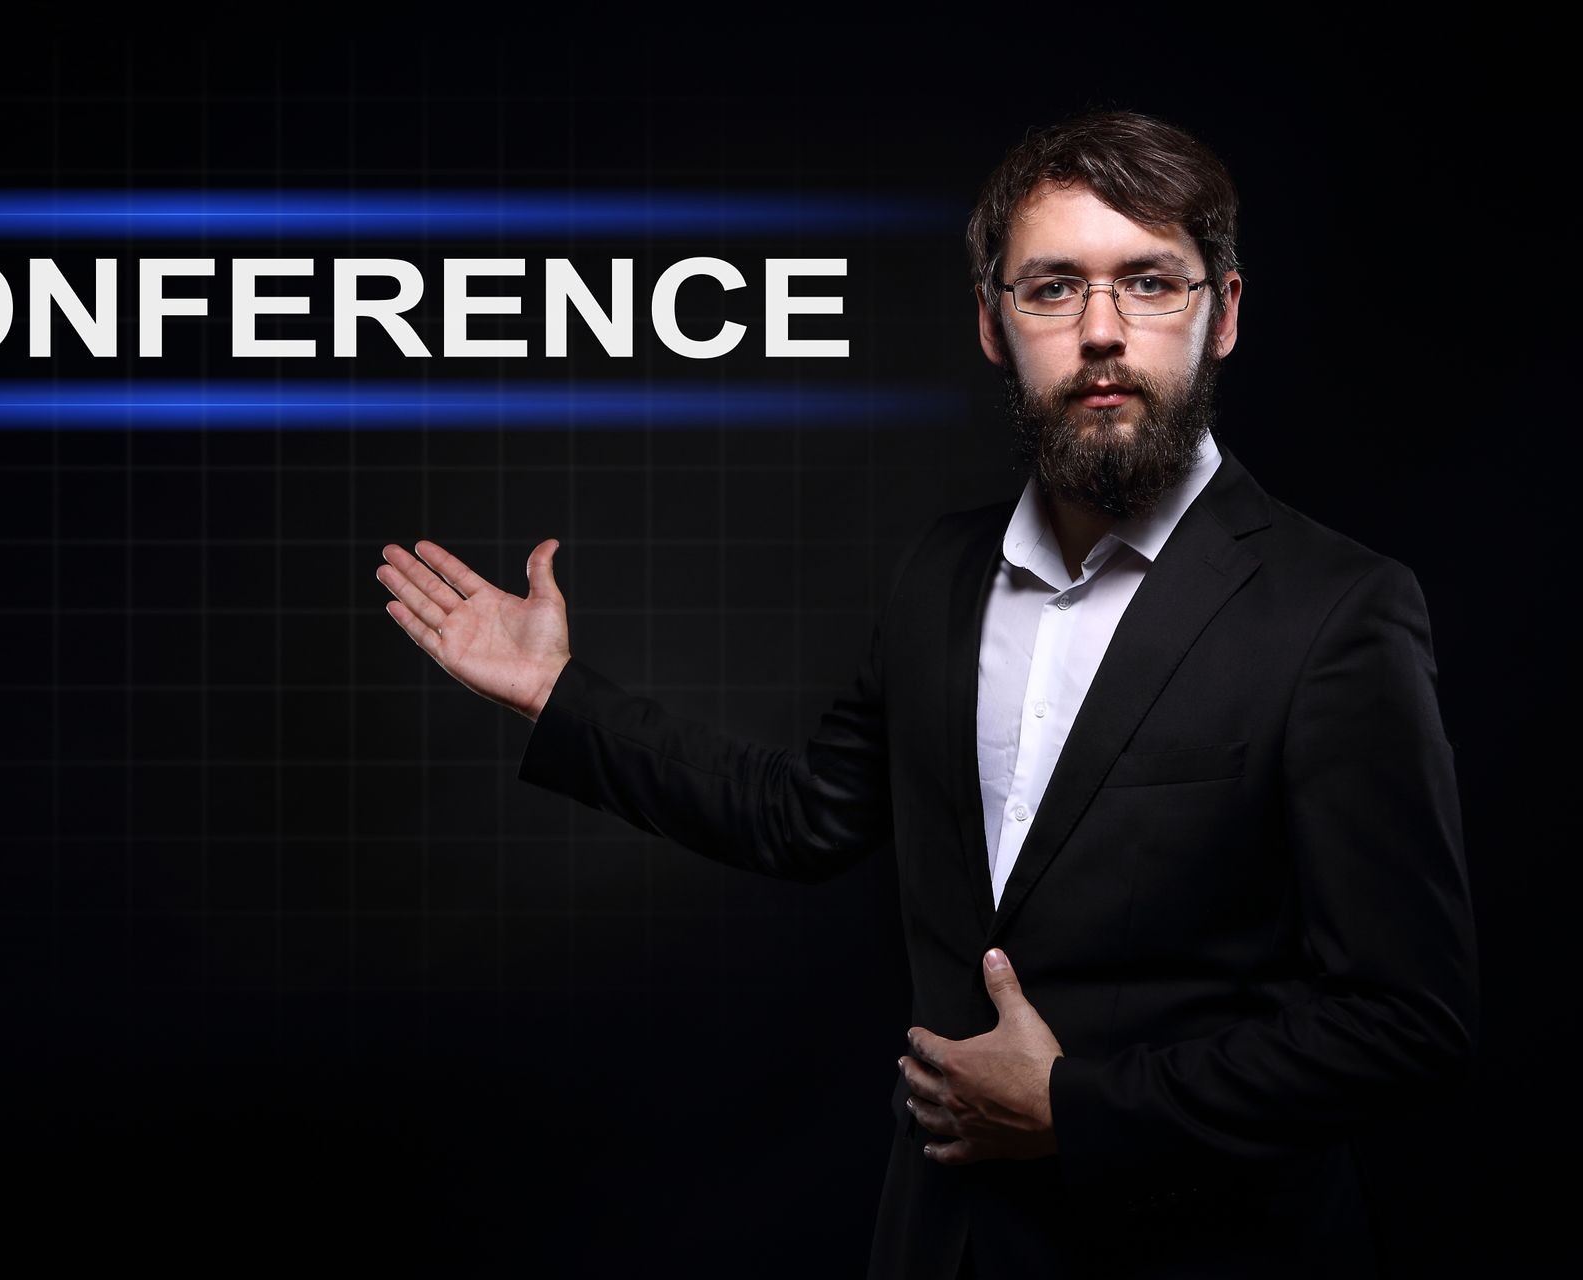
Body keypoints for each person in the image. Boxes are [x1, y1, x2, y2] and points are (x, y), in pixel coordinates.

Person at [371, 109, 1479, 1278]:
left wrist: (1078, 1106)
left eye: (1150, 282)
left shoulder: (1339, 608)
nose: (1103, 332)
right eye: (1052, 288)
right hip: (946, 1244)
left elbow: (1407, 1024)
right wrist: (555, 694)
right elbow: (803, 816)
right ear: (995, 326)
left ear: (1225, 312)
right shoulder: (939, 575)